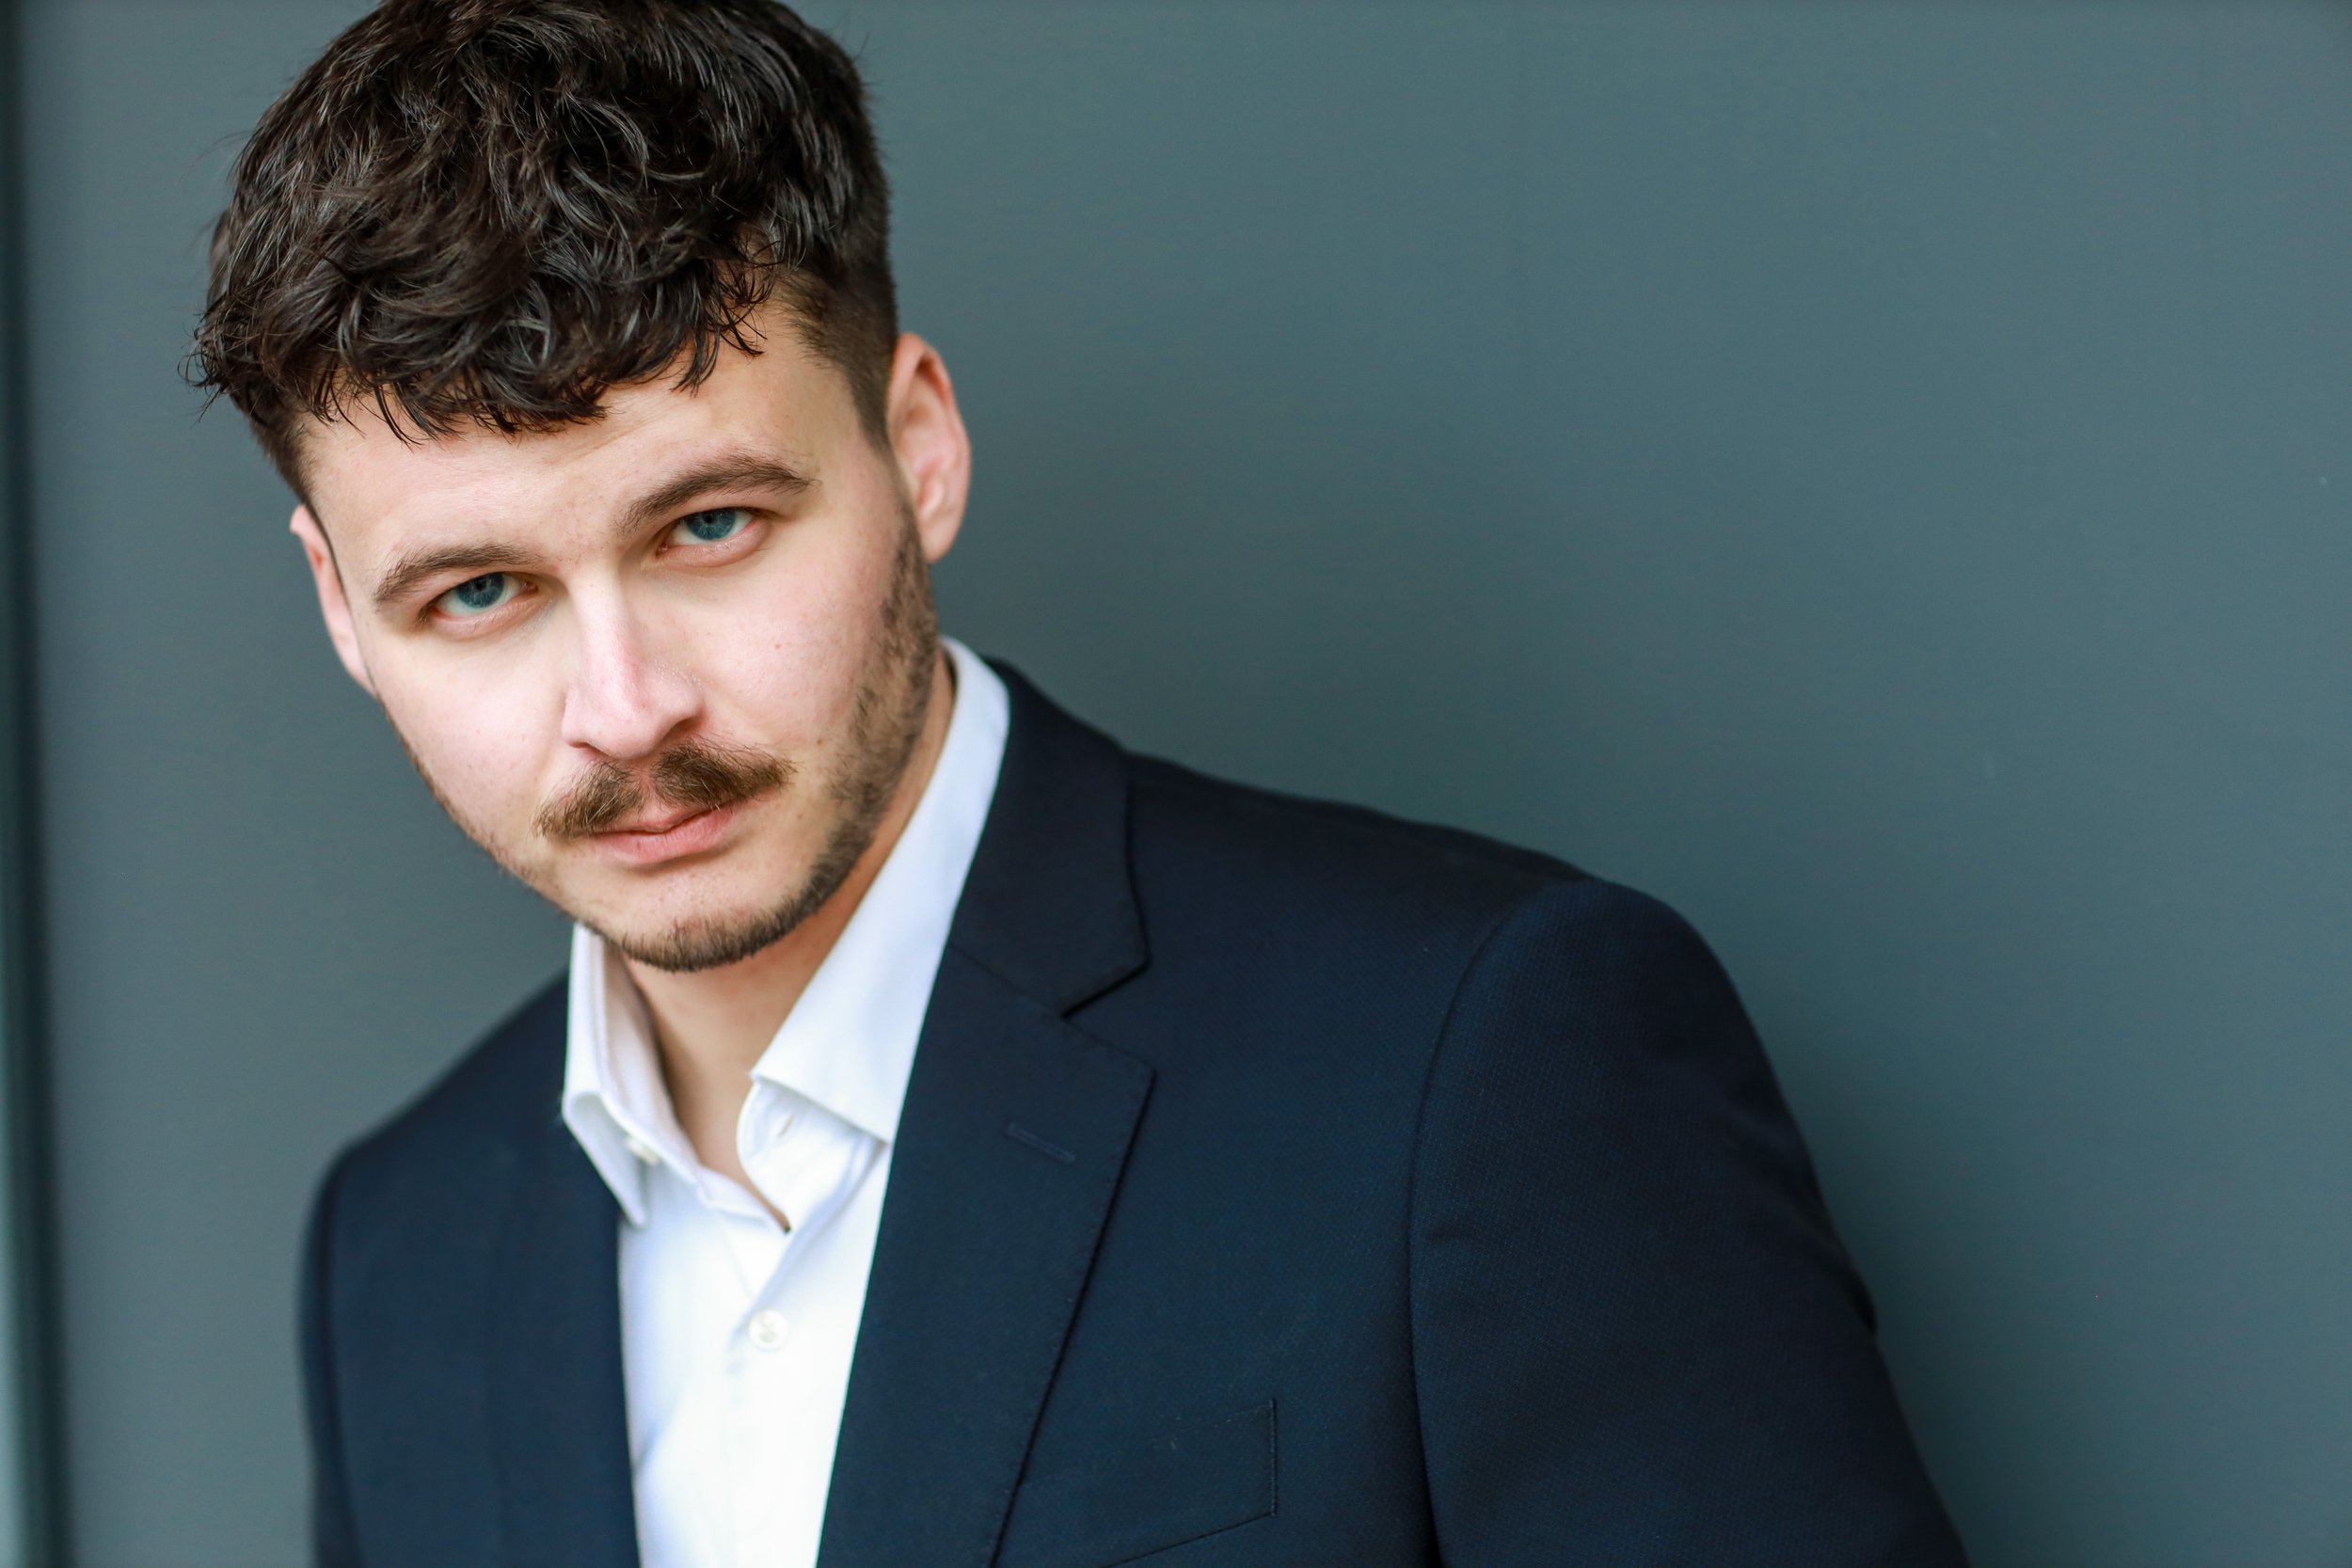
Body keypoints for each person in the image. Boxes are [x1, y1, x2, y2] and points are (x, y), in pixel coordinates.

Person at [189, 1, 1968, 1564]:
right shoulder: (398, 1248)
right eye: (478, 593)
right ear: (343, 610)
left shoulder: (1485, 1062)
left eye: (710, 525)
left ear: (919, 447)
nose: (625, 710)